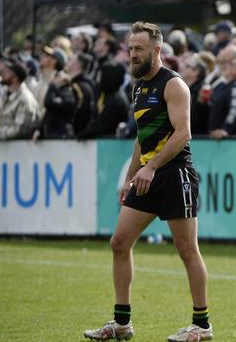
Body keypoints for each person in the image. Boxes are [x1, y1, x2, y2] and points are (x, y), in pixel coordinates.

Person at [84, 21, 212, 342]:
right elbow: (142, 137)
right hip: (146, 175)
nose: (132, 54)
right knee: (119, 243)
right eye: (130, 48)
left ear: (157, 50)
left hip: (174, 174)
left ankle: (201, 325)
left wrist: (151, 167)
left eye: (138, 49)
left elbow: (183, 134)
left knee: (186, 250)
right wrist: (130, 177)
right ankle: (122, 323)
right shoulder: (137, 87)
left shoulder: (174, 85)